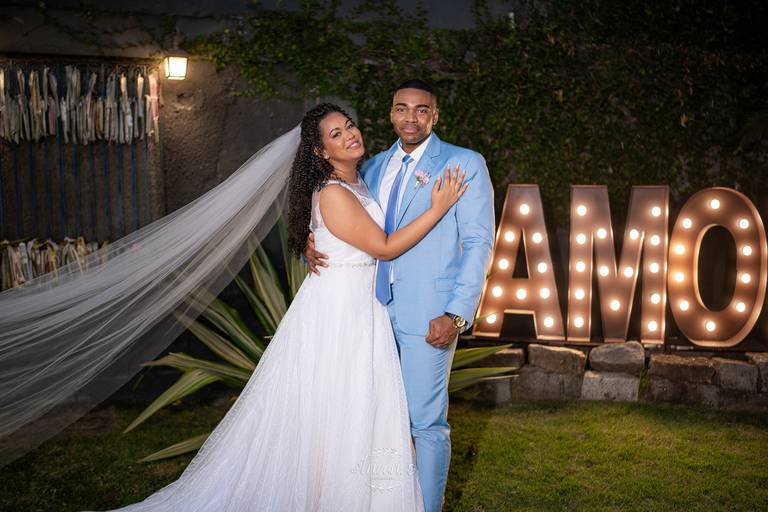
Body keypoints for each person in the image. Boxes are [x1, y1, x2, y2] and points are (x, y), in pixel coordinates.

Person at [83, 103, 467, 511]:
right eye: (335, 134)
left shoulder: (360, 178)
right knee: (339, 399)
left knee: (354, 402)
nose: (349, 135)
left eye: (349, 126)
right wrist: (437, 208)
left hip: (359, 304)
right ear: (320, 152)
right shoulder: (334, 192)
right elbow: (384, 246)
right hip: (339, 310)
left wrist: (310, 242)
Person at [306, 80, 495, 512]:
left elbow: (478, 243)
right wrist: (309, 243)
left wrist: (456, 313)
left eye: (422, 109)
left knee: (426, 423)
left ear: (435, 115)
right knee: (373, 421)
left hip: (428, 314)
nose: (411, 118)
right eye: (402, 108)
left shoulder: (463, 163)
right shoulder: (371, 167)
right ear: (390, 113)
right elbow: (348, 227)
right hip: (367, 314)